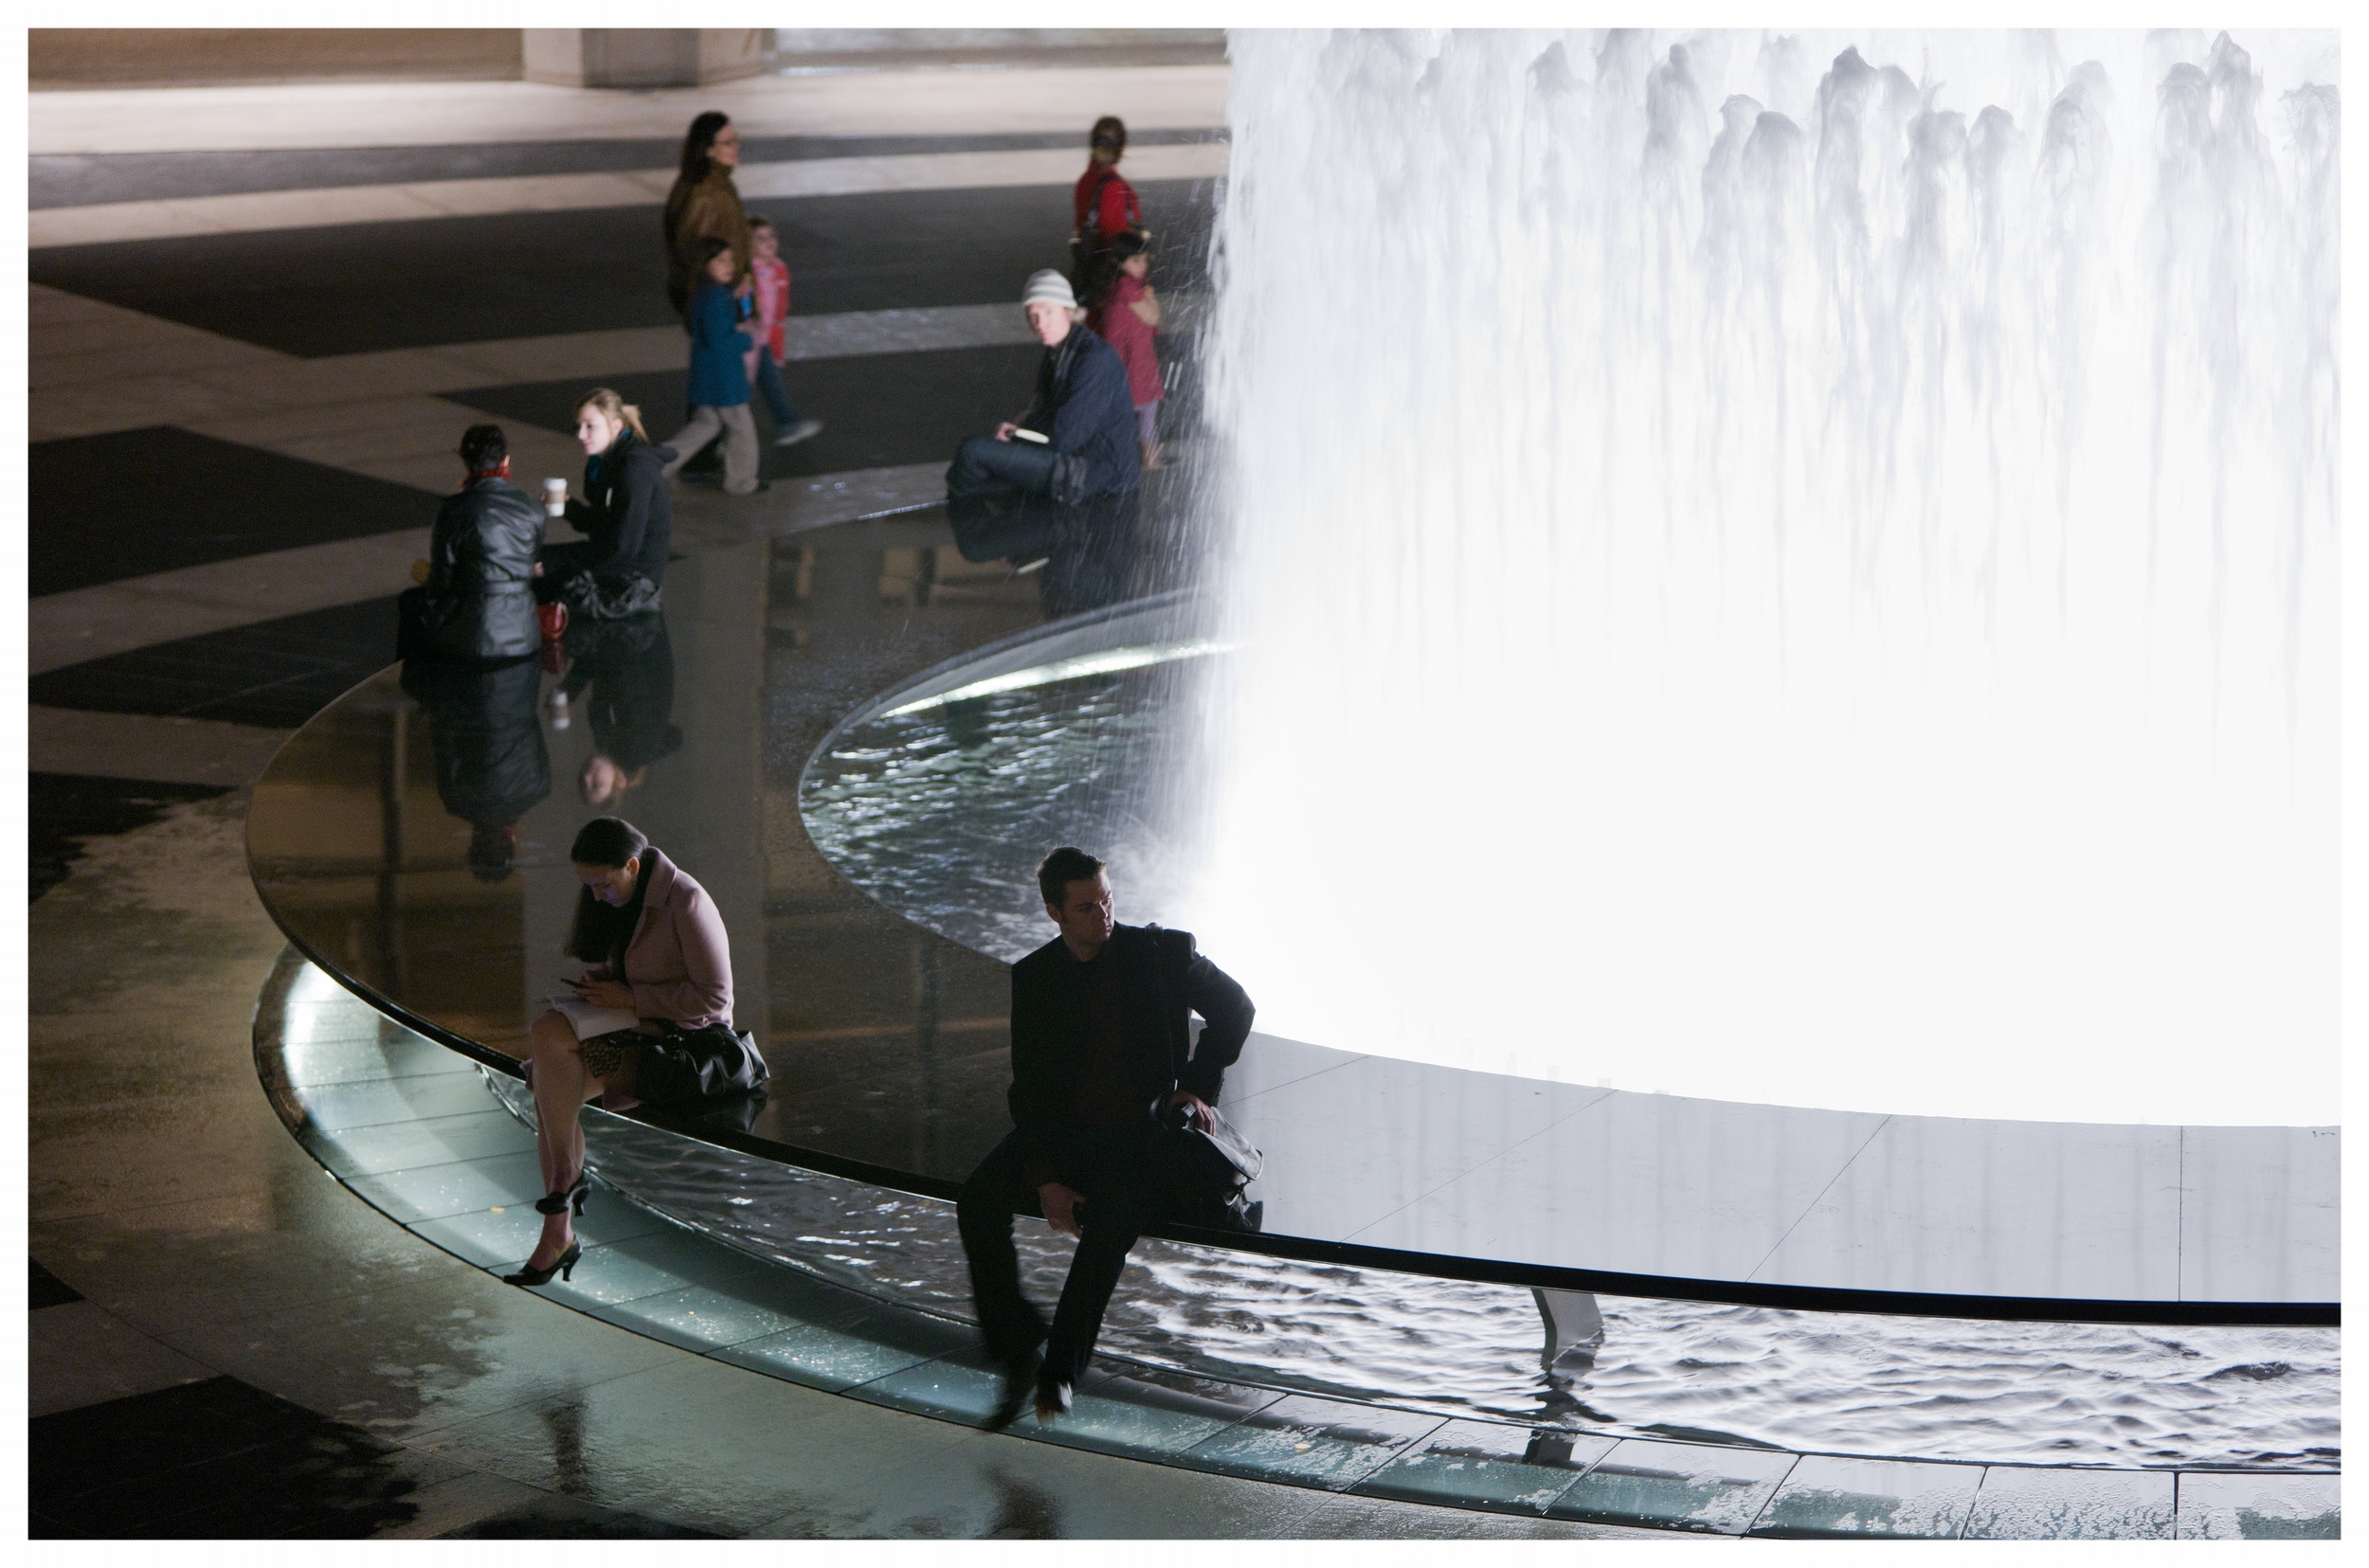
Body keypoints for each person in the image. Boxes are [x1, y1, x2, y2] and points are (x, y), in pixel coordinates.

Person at [957, 847, 1255, 1425]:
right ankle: (1017, 1346)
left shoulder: (1160, 953)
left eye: (1108, 900)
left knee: (1113, 1217)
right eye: (1087, 907)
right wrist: (1046, 1178)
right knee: (976, 1199)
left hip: (1139, 1130)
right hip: (1065, 1128)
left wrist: (1194, 1086)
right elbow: (1032, 1089)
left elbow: (1236, 1009)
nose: (1104, 915)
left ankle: (1059, 1373)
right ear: (1055, 913)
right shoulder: (1036, 978)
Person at [509, 816, 759, 1288]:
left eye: (602, 884)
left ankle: (560, 1207)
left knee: (548, 1068)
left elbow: (715, 1001)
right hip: (638, 1027)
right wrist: (608, 984)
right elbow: (640, 973)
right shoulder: (622, 898)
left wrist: (631, 999)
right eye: (588, 886)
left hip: (684, 1043)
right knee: (546, 1038)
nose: (596, 896)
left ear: (630, 865)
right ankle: (563, 1196)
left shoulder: (686, 900)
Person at [944, 270, 1142, 615]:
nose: (1040, 322)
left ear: (1068, 310)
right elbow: (1046, 415)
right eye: (1033, 315)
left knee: (972, 453)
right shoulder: (1059, 354)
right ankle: (978, 512)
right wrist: (1020, 429)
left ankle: (964, 515)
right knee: (984, 466)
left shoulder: (1094, 359)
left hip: (1090, 481)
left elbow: (1065, 436)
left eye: (1048, 312)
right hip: (1073, 473)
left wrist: (1021, 432)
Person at [400, 653, 549, 883]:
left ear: (513, 840)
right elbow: (444, 741)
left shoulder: (538, 789)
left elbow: (534, 730)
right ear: (473, 842)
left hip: (516, 681)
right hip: (464, 689)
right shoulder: (455, 799)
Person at [400, 424, 544, 663]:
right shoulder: (533, 510)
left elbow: (440, 579)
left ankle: (415, 686)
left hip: (472, 635)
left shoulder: (454, 511)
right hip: (524, 633)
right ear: (505, 462)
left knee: (412, 604)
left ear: (466, 464)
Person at [542, 389, 676, 620]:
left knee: (541, 579)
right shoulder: (603, 463)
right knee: (538, 563)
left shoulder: (634, 470)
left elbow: (622, 547)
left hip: (632, 585)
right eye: (579, 426)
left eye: (590, 426)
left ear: (615, 427)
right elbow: (603, 524)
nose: (581, 434)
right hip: (618, 568)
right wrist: (568, 507)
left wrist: (558, 560)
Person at [661, 238, 764, 496]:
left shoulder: (707, 294)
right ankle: (741, 482)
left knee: (705, 425)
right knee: (741, 427)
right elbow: (721, 340)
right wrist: (746, 338)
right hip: (724, 378)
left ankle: (656, 466)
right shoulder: (716, 298)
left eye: (730, 260)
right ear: (705, 264)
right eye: (720, 260)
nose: (728, 265)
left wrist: (739, 297)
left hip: (708, 375)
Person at [557, 611, 682, 806]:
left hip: (629, 623)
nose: (588, 777)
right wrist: (570, 689)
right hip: (633, 618)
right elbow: (617, 661)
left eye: (583, 782)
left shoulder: (611, 742)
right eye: (597, 784)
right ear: (621, 781)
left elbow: (674, 737)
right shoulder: (637, 743)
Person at [1084, 232, 1166, 472]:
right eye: (1136, 261)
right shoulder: (1128, 287)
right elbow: (1153, 318)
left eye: (1144, 260)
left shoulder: (1114, 283)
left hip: (1123, 358)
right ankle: (1149, 458)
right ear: (1121, 262)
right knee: (1146, 409)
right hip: (1133, 360)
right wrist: (1150, 297)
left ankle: (1128, 457)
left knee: (1125, 411)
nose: (1143, 266)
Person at [661, 111, 750, 321]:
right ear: (709, 150)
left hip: (717, 292)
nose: (736, 146)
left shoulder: (712, 180)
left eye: (735, 139)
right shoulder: (708, 194)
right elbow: (698, 251)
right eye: (728, 143)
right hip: (719, 295)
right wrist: (734, 282)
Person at [745, 216, 823, 449]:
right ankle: (713, 439)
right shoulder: (747, 274)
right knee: (739, 394)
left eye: (771, 237)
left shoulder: (779, 269)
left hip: (763, 340)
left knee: (769, 383)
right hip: (746, 341)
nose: (769, 243)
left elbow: (778, 314)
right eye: (760, 239)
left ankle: (787, 423)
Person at [1070, 116, 1145, 279]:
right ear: (1123, 147)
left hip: (1089, 273)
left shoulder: (1085, 181)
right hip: (1112, 284)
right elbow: (1117, 243)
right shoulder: (1115, 188)